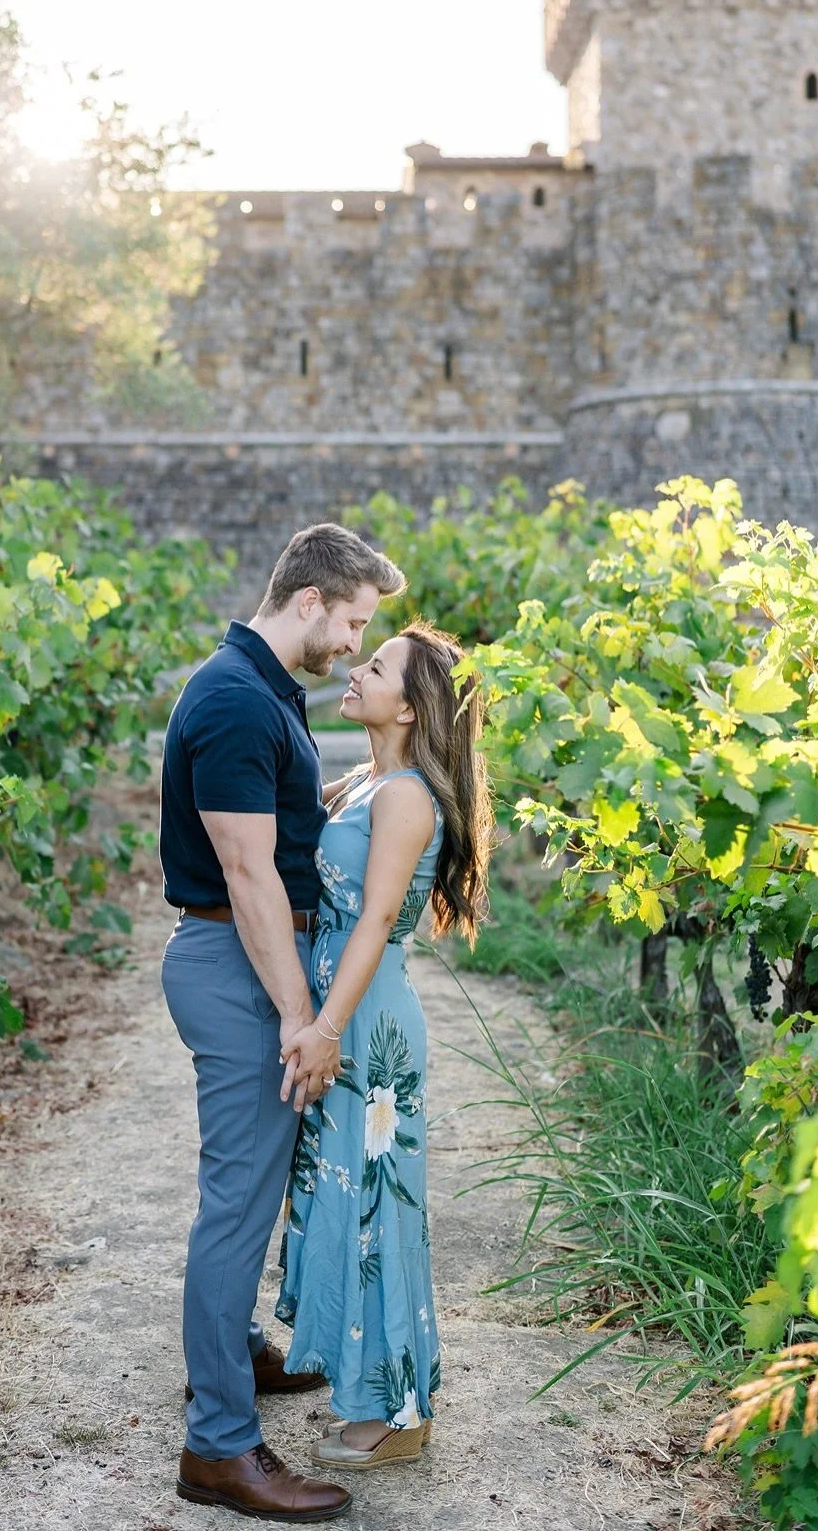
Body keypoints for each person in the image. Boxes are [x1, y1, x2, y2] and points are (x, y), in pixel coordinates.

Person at [161, 522, 406, 1522]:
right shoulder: (230, 696)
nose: (353, 642)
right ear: (309, 600)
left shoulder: (263, 689)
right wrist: (302, 1014)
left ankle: (238, 1355)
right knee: (236, 1201)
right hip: (235, 962)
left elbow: (285, 821)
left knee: (253, 1189)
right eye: (352, 621)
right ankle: (217, 1445)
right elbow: (247, 869)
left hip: (247, 957)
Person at [275, 621, 492, 1469]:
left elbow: (372, 921)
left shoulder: (402, 798)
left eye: (376, 666)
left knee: (378, 1210)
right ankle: (370, 1392)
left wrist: (327, 1027)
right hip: (346, 1010)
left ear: (409, 707)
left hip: (366, 1023)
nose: (356, 671)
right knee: (346, 1200)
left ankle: (403, 1413)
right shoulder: (371, 781)